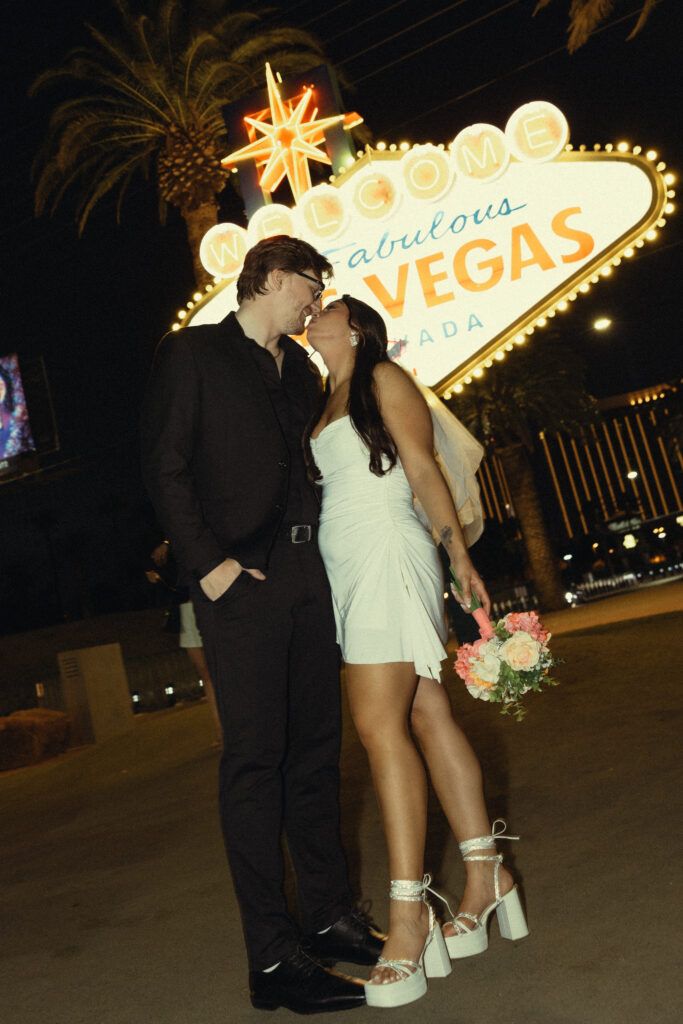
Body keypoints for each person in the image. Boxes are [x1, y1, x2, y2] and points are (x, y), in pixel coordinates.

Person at [140, 237, 382, 1015]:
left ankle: (330, 917)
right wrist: (206, 563)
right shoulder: (194, 354)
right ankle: (273, 962)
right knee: (255, 764)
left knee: (316, 755)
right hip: (239, 588)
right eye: (312, 284)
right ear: (273, 279)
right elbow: (164, 464)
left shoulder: (301, 371)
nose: (317, 298)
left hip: (310, 582)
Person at [304, 295, 529, 1009]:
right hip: (346, 570)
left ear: (357, 325)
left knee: (378, 728)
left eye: (325, 308)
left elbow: (426, 471)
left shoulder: (380, 377)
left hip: (387, 555)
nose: (313, 315)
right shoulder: (323, 393)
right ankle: (485, 872)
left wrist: (459, 561)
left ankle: (408, 916)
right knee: (427, 714)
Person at [145, 539, 221, 739]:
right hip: (187, 607)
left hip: (204, 601)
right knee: (207, 675)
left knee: (218, 671)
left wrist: (166, 543)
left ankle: (229, 733)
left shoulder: (177, 538)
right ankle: (222, 733)